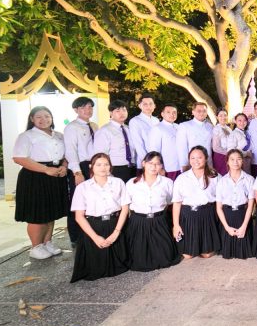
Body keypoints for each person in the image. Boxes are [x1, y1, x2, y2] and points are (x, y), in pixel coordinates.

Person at [12, 106, 70, 260]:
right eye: (39, 117)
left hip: (56, 175)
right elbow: (19, 158)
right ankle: (35, 246)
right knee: (38, 214)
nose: (44, 119)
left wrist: (64, 166)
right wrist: (46, 169)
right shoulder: (26, 136)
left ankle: (47, 242)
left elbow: (67, 154)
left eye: (47, 116)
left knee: (50, 212)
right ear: (32, 119)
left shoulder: (59, 135)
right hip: (35, 177)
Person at [70, 153, 129, 282]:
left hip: (115, 224)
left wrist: (116, 233)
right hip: (93, 227)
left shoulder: (118, 183)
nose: (103, 168)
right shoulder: (82, 188)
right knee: (96, 268)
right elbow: (79, 217)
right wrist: (95, 237)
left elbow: (125, 208)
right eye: (99, 164)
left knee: (122, 265)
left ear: (110, 166)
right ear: (91, 166)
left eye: (106, 164)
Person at [124, 151, 180, 271]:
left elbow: (170, 201)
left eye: (157, 164)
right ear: (143, 163)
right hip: (138, 222)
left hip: (159, 221)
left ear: (161, 166)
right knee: (139, 261)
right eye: (150, 163)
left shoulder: (167, 182)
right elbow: (126, 205)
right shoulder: (132, 183)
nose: (154, 167)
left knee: (166, 258)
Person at [172, 146, 221, 260]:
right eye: (192, 158)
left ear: (206, 158)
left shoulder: (215, 176)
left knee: (206, 254)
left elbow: (221, 199)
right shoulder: (182, 178)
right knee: (187, 256)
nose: (196, 161)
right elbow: (177, 202)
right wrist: (176, 225)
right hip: (188, 216)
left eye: (199, 157)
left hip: (208, 215)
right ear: (189, 160)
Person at [64, 96, 98, 247]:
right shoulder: (72, 127)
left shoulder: (94, 126)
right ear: (76, 110)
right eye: (83, 107)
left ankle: (90, 233)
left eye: (90, 107)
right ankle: (76, 237)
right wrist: (77, 172)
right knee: (77, 202)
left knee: (92, 200)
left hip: (94, 166)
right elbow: (70, 151)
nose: (87, 110)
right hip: (80, 167)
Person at [215, 149, 256, 259]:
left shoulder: (249, 179)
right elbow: (219, 208)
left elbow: (251, 205)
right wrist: (227, 227)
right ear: (227, 162)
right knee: (228, 254)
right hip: (227, 217)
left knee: (245, 252)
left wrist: (244, 226)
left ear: (242, 161)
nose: (235, 162)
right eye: (232, 159)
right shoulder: (221, 181)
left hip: (243, 216)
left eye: (238, 159)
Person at [93, 100, 137, 182]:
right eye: (118, 111)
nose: (122, 113)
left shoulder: (128, 129)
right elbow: (100, 155)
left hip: (132, 168)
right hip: (115, 169)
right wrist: (107, 173)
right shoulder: (104, 131)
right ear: (110, 113)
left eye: (124, 110)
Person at [146, 103, 180, 180]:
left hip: (181, 166)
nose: (172, 114)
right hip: (168, 168)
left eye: (174, 112)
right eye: (168, 112)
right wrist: (159, 168)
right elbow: (154, 151)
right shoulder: (157, 128)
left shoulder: (179, 127)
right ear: (162, 114)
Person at [177, 101, 214, 173]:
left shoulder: (210, 126)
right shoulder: (184, 126)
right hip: (192, 163)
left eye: (204, 111)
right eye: (199, 111)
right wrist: (184, 165)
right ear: (193, 112)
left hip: (208, 162)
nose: (202, 113)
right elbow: (181, 147)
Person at [128, 94, 159, 173]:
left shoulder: (156, 120)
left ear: (154, 106)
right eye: (145, 104)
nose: (148, 106)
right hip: (145, 162)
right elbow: (138, 144)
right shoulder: (135, 121)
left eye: (151, 104)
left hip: (158, 161)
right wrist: (147, 162)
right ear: (140, 106)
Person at [211, 109, 232, 175]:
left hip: (229, 156)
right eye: (220, 116)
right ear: (217, 117)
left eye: (225, 115)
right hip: (220, 156)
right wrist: (229, 153)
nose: (223, 118)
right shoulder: (216, 129)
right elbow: (215, 148)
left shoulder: (229, 128)